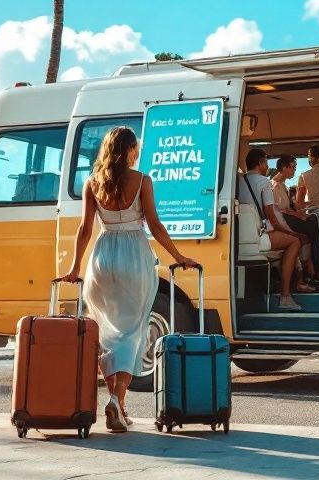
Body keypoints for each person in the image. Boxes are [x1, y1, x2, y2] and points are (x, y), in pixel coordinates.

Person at [61, 126, 198, 433]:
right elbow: (156, 226)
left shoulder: (92, 182)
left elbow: (84, 229)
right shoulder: (142, 181)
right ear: (131, 149)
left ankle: (119, 406)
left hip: (103, 256)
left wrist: (74, 269)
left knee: (108, 334)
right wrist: (179, 257)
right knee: (133, 332)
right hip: (135, 256)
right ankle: (115, 399)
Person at [239, 148, 313, 311]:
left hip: (241, 237)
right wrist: (290, 233)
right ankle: (286, 295)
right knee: (294, 242)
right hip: (258, 237)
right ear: (259, 163)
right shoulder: (264, 182)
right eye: (266, 162)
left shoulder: (240, 181)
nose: (267, 166)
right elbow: (271, 216)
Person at [272, 154, 319, 279]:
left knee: (313, 222)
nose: (294, 171)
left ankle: (312, 272)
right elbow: (279, 209)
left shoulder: (284, 186)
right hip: (282, 222)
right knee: (312, 225)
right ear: (283, 167)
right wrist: (298, 215)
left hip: (288, 219)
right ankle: (314, 270)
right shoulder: (275, 186)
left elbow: (292, 206)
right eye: (293, 168)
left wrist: (309, 204)